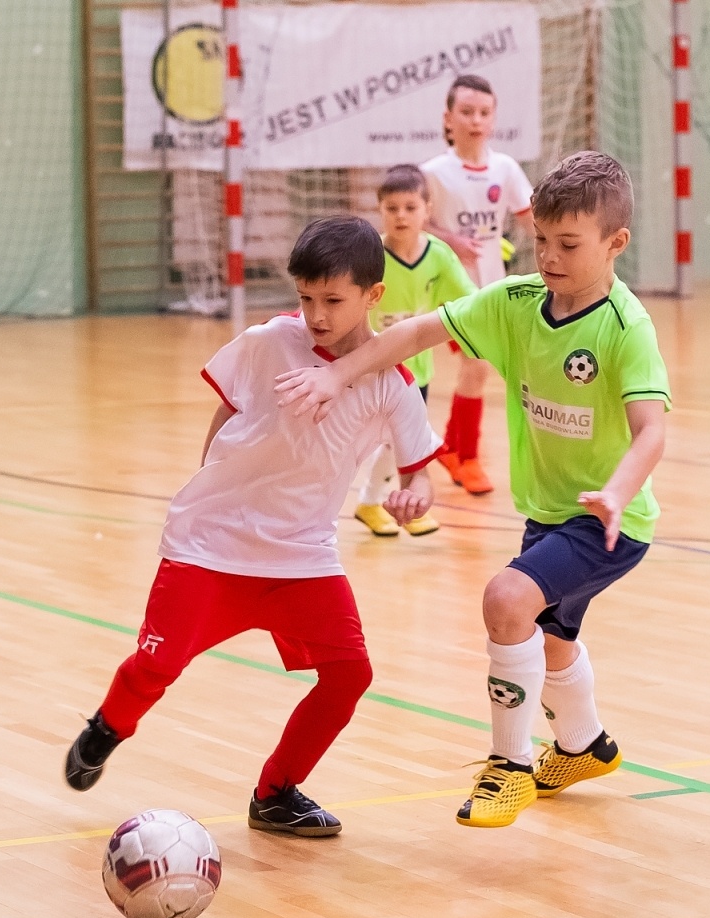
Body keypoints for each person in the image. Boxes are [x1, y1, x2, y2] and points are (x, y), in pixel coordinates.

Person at [275, 152, 669, 829]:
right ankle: (584, 747)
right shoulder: (517, 303)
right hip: (549, 510)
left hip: (611, 518)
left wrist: (615, 490)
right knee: (550, 638)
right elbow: (416, 333)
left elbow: (652, 432)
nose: (547, 255)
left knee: (506, 599)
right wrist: (338, 376)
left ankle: (509, 768)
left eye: (568, 245)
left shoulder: (626, 328)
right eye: (541, 240)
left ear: (616, 244)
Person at [65, 216, 441, 836]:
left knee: (351, 674)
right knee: (155, 668)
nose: (315, 314)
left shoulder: (393, 384)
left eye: (333, 300)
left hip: (301, 558)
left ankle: (276, 792)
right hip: (210, 546)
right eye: (305, 298)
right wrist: (215, 484)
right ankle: (108, 726)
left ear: (374, 296)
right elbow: (227, 405)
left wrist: (413, 495)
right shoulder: (270, 340)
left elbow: (419, 473)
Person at [420, 73, 535, 497]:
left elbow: (530, 217)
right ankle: (463, 456)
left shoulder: (505, 168)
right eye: (466, 111)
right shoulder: (432, 173)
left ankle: (454, 450)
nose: (476, 120)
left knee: (478, 368)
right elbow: (413, 223)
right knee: (477, 365)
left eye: (484, 112)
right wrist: (449, 239)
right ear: (448, 118)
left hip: (493, 285)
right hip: (447, 285)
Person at [355, 164, 477, 538]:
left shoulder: (438, 255)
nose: (401, 216)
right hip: (370, 364)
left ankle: (379, 502)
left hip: (414, 370)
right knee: (383, 440)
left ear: (427, 209)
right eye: (392, 208)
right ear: (380, 210)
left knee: (401, 440)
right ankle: (382, 501)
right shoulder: (369, 254)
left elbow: (469, 301)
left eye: (410, 207)